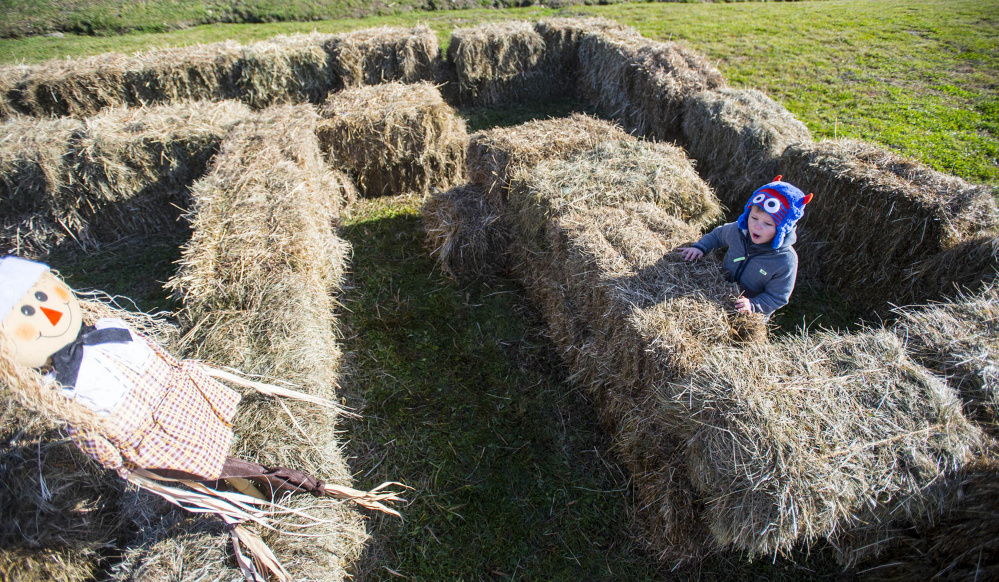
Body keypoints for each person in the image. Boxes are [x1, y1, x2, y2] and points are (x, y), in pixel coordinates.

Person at [677, 176, 812, 317]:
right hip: (719, 291)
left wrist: (753, 305)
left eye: (768, 224)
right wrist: (700, 247)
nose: (757, 226)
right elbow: (717, 235)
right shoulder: (739, 231)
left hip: (748, 310)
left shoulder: (785, 260)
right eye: (754, 218)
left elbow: (777, 296)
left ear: (782, 229)